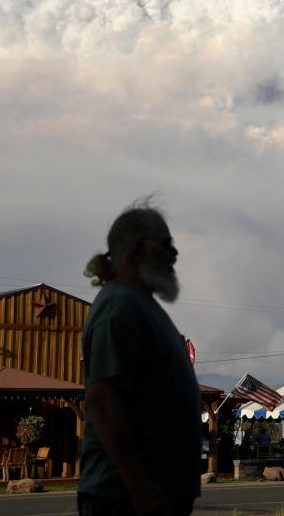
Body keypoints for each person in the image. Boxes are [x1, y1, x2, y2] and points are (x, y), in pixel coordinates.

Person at [79, 198, 201, 516]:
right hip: (124, 499)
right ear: (137, 249)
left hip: (150, 495)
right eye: (166, 245)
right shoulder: (119, 305)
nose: (174, 254)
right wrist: (140, 487)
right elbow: (103, 399)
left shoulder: (141, 305)